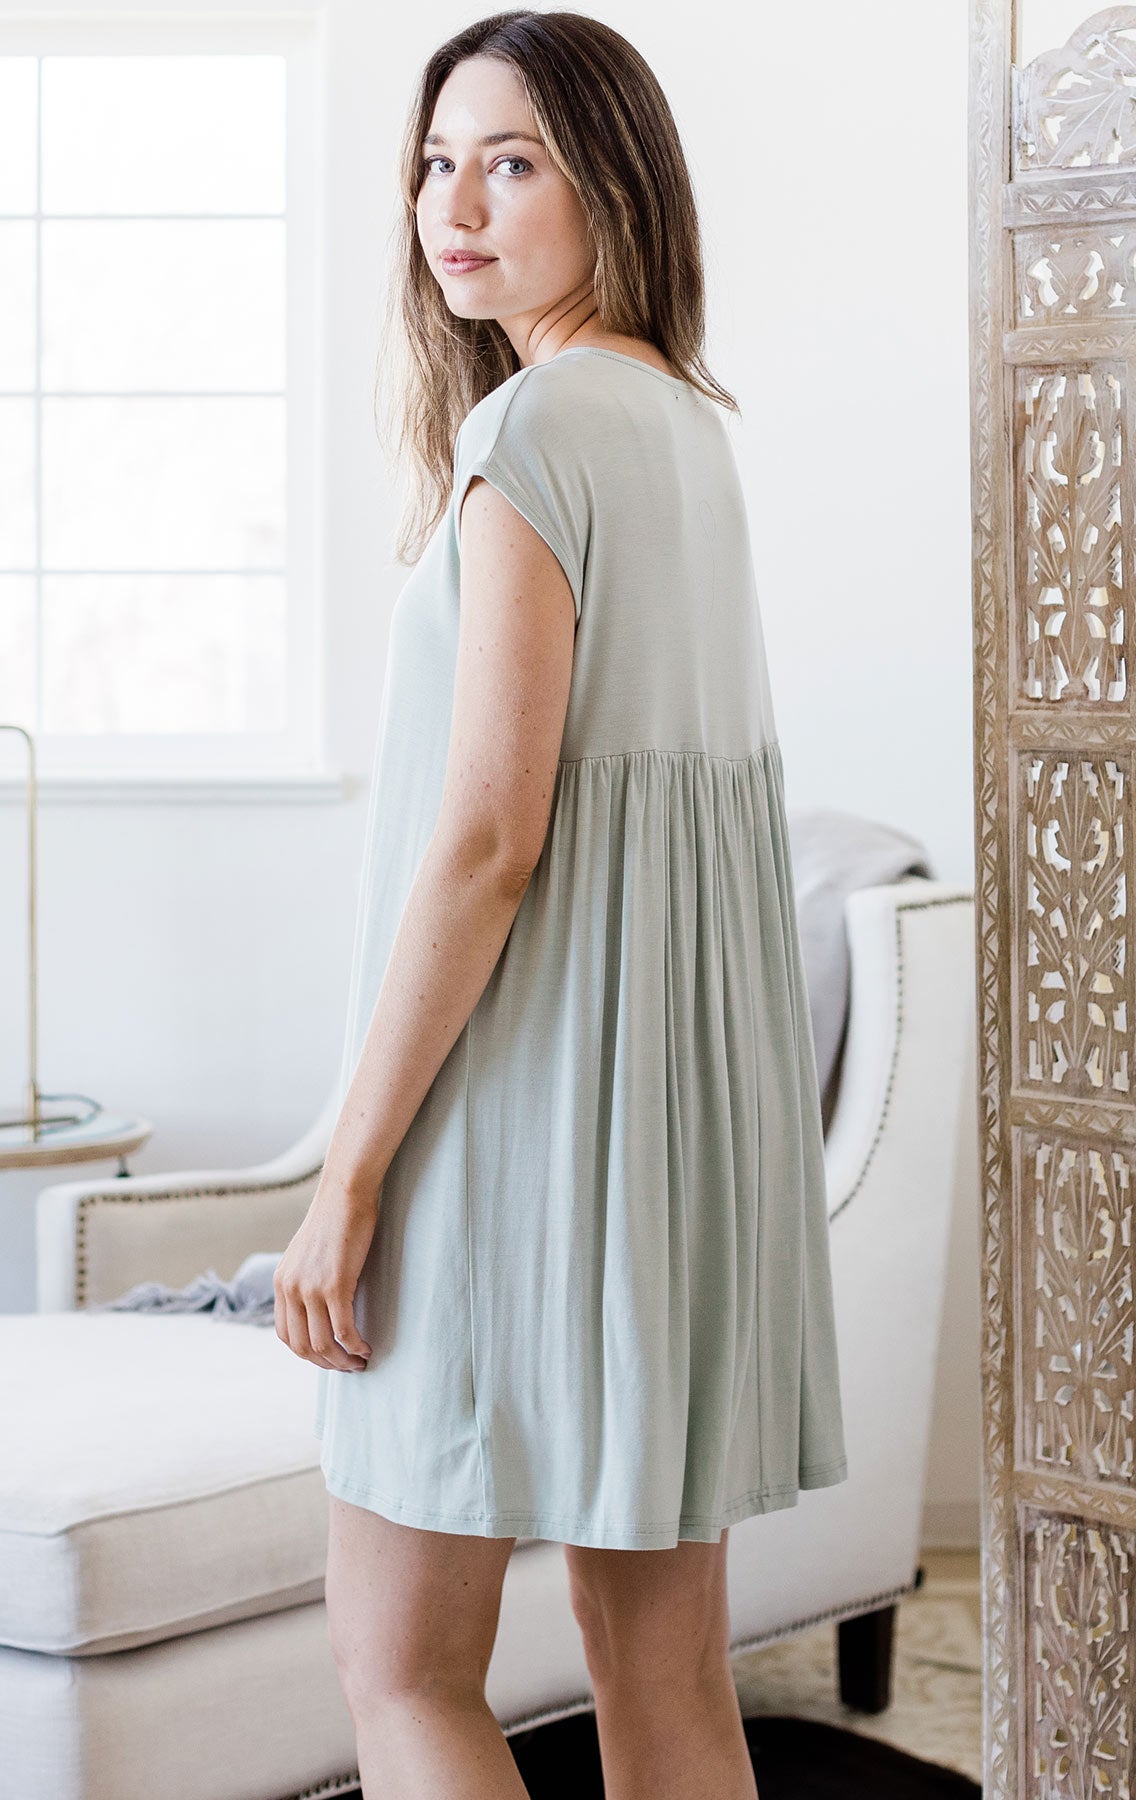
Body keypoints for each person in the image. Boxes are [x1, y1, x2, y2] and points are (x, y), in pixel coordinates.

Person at [273, 11, 849, 1797]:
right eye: (437, 163)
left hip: (510, 1133)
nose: (458, 201)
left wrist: (349, 1172)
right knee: (667, 1676)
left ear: (617, 180)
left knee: (402, 1669)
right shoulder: (683, 427)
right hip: (666, 1157)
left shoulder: (529, 432)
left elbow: (486, 843)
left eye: (512, 159)